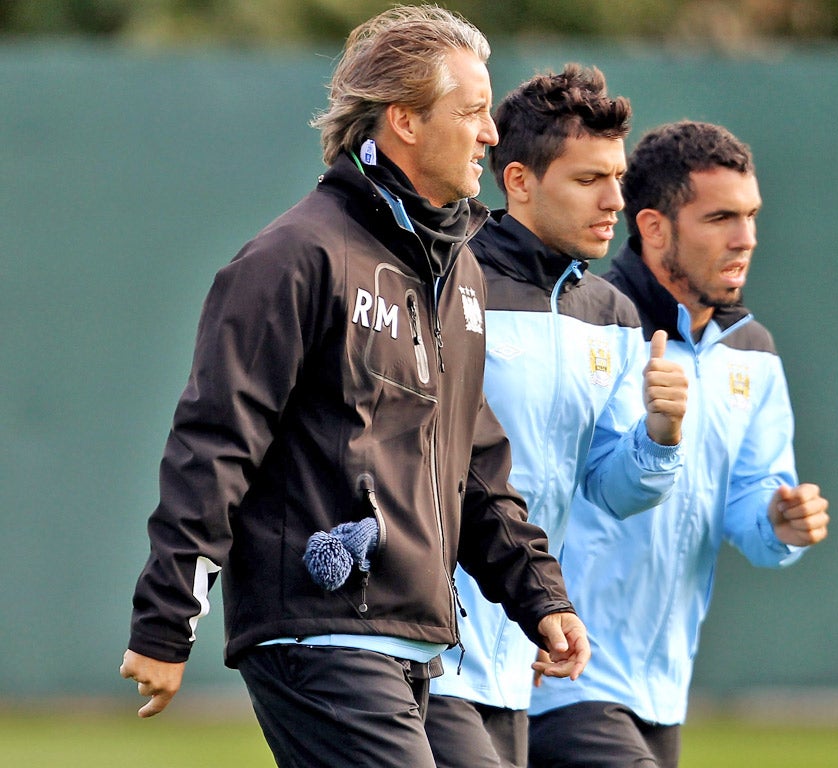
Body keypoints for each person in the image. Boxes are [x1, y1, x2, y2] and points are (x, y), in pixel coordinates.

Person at [118, 7, 591, 767]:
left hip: (417, 644)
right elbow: (215, 443)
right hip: (318, 633)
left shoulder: (458, 270)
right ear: (404, 120)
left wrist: (542, 597)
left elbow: (473, 466)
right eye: (472, 111)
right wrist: (167, 617)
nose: (491, 132)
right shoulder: (294, 256)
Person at [528, 120, 831, 768]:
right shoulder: (585, 329)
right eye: (721, 217)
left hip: (662, 690)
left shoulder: (756, 355)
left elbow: (750, 511)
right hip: (562, 676)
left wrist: (779, 521)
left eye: (750, 216)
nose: (745, 238)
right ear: (655, 227)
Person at [423, 66, 689, 768]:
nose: (614, 201)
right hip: (423, 647)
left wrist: (660, 436)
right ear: (517, 182)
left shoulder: (613, 313)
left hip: (521, 659)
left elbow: (613, 489)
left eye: (618, 178)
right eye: (587, 180)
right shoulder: (449, 280)